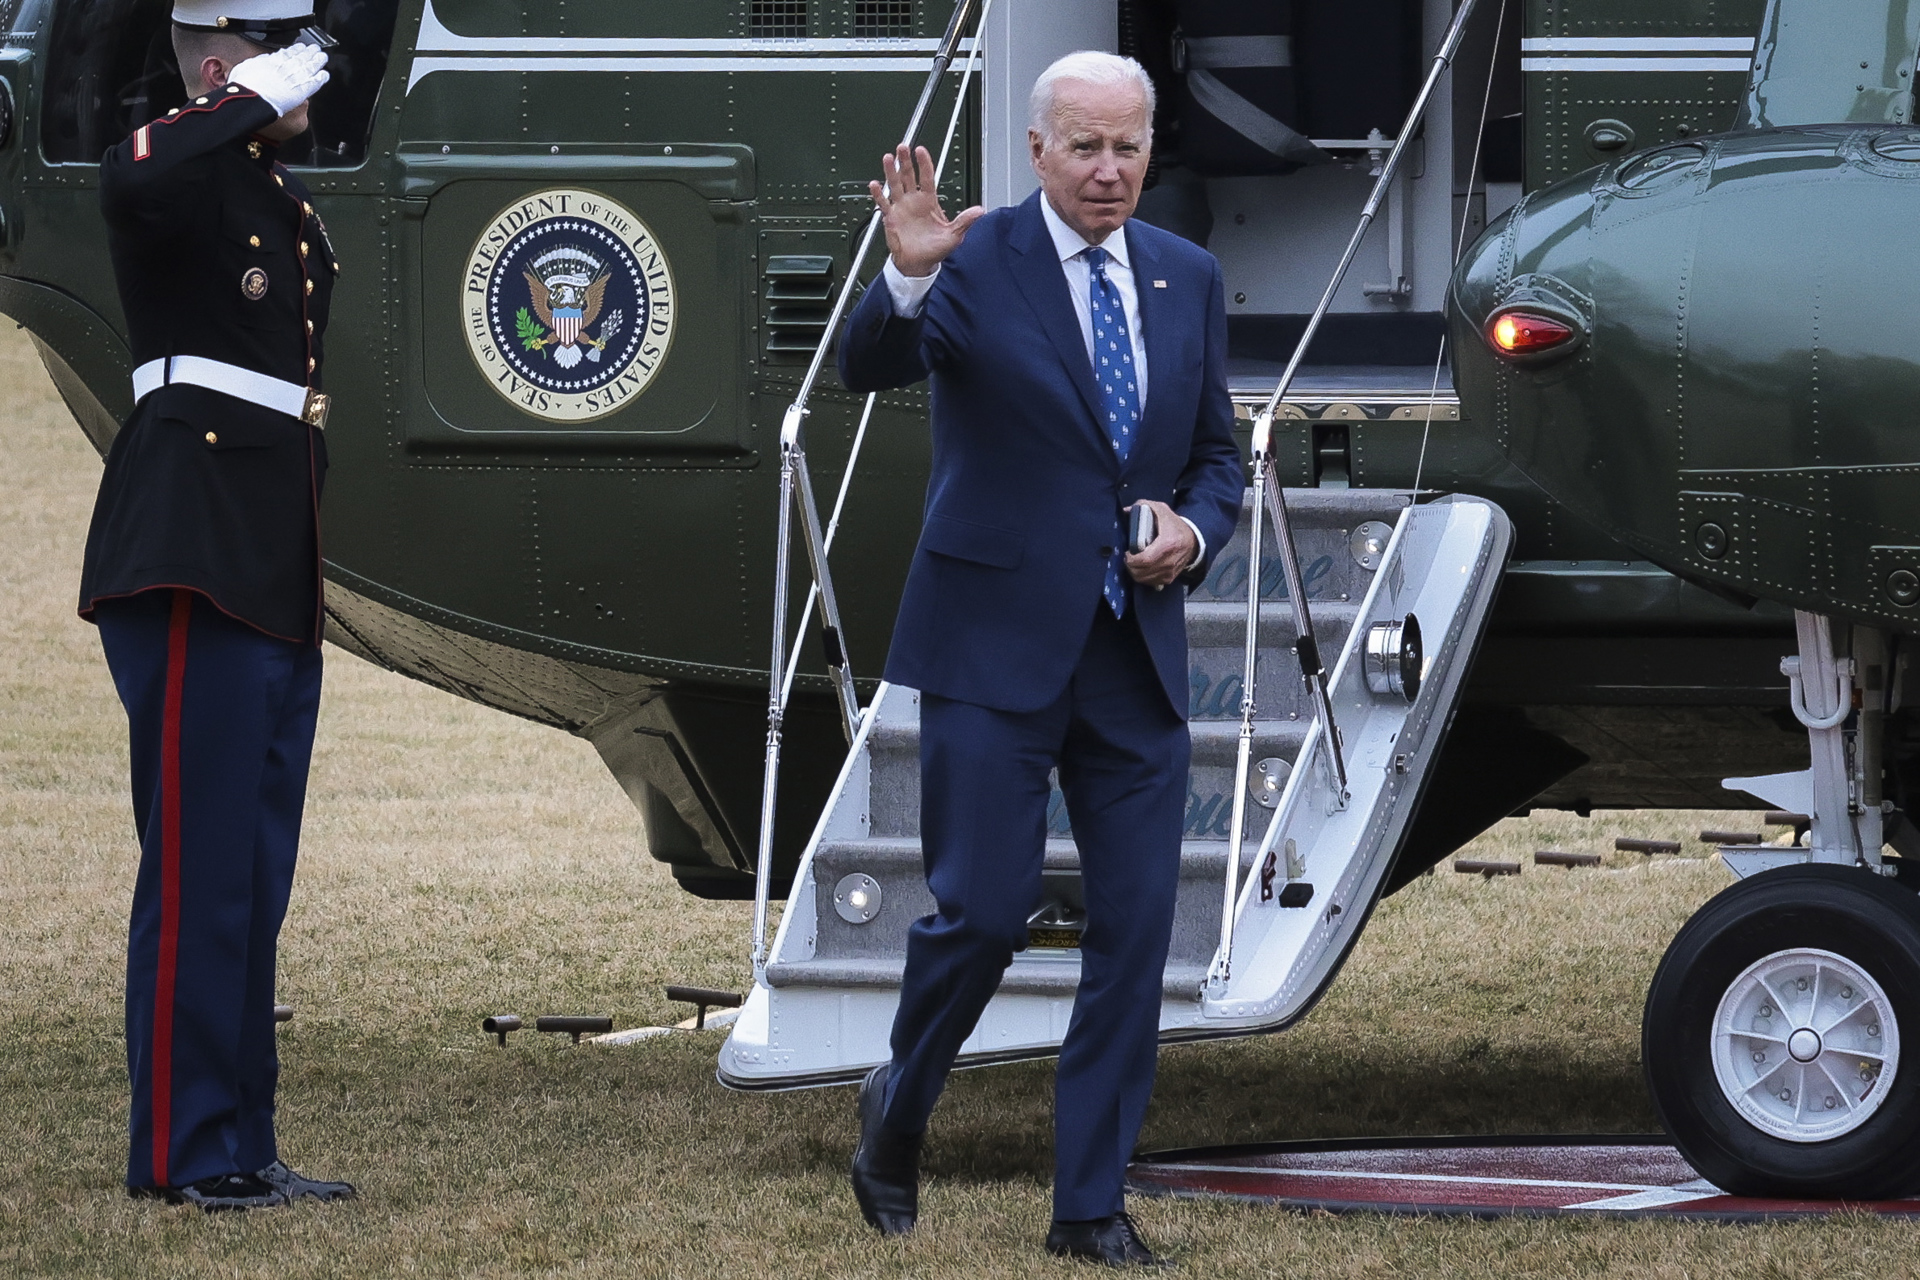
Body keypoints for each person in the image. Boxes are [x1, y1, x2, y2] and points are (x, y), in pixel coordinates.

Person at [836, 50, 1244, 1266]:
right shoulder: (971, 260)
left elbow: (1216, 456)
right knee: (984, 912)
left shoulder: (1189, 275)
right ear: (1036, 150)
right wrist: (905, 278)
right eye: (1086, 147)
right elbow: (868, 363)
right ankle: (896, 1107)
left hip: (1135, 655)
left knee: (1134, 935)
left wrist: (1195, 527)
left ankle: (1087, 1207)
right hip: (990, 647)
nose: (1111, 170)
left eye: (1129, 147)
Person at [77, 0, 351, 1212]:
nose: (318, 84)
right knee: (196, 869)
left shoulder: (269, 197)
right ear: (235, 61)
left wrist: (265, 97)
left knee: (250, 869)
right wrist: (241, 93)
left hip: (264, 550)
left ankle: (240, 1138)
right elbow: (129, 180)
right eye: (298, 57)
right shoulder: (178, 169)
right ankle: (182, 1153)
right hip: (190, 545)